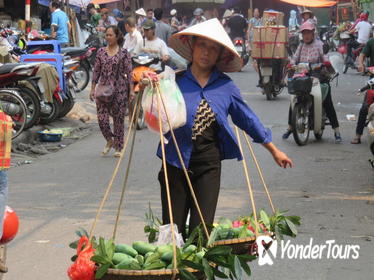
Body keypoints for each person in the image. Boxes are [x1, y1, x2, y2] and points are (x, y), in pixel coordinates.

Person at [153, 18, 293, 237]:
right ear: (192, 47)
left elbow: (248, 119)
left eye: (213, 49)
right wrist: (147, 83)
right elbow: (152, 111)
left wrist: (274, 150)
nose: (206, 53)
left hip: (208, 165)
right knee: (172, 232)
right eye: (202, 46)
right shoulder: (173, 81)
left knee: (202, 231)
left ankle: (197, 271)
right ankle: (174, 272)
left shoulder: (225, 87)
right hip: (174, 162)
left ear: (219, 55)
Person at [282, 21, 342, 143]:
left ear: (313, 33)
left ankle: (336, 131)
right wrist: (291, 64)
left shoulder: (319, 44)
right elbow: (294, 58)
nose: (306, 35)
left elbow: (324, 57)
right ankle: (290, 126)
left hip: (318, 74)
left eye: (308, 33)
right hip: (302, 74)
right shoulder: (301, 45)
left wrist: (324, 63)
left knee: (327, 102)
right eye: (304, 33)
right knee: (294, 98)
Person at [90, 26, 132, 157]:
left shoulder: (124, 53)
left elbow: (129, 73)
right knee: (102, 119)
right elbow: (96, 71)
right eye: (106, 35)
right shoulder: (101, 52)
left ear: (117, 36)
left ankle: (119, 147)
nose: (107, 37)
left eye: (110, 35)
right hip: (103, 89)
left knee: (118, 119)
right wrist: (92, 88)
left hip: (119, 89)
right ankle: (109, 140)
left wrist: (131, 91)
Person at [352, 37, 374, 144]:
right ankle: (358, 135)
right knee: (365, 107)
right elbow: (362, 55)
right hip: (373, 81)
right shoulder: (371, 42)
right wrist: (361, 64)